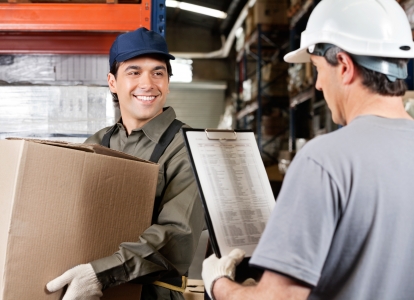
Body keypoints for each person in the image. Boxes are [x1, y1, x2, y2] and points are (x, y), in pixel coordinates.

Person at [201, 0, 414, 299]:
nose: (317, 85)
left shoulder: (324, 160)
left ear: (344, 66)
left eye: (317, 69)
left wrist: (219, 284)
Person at [46, 27, 204, 300]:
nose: (148, 83)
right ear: (112, 82)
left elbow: (177, 237)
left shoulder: (189, 146)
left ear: (167, 82)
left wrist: (99, 274)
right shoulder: (95, 143)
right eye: (134, 72)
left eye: (158, 73)